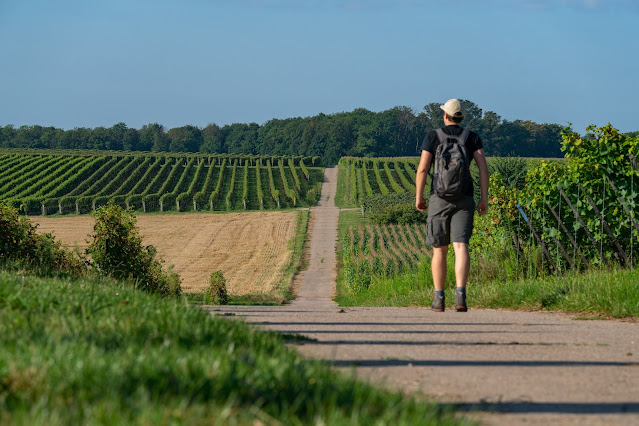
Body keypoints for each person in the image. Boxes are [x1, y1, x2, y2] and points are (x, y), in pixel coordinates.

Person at [415, 99, 489, 312]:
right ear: (462, 117)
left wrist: (419, 196)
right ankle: (461, 297)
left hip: (439, 197)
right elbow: (483, 169)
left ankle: (439, 299)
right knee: (461, 246)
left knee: (440, 250)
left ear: (445, 116)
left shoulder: (433, 136)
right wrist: (483, 199)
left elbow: (422, 169)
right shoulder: (471, 137)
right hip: (464, 198)